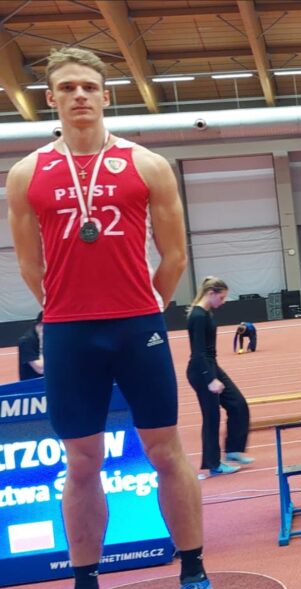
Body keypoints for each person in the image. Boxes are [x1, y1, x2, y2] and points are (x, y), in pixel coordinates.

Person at [5, 47, 211, 589]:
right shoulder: (27, 173)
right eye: (68, 88)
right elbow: (29, 264)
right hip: (70, 332)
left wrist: (146, 307)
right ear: (50, 98)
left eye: (89, 87)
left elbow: (175, 257)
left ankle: (192, 569)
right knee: (81, 461)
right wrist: (64, 309)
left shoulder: (147, 164)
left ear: (104, 95)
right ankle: (85, 578)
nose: (79, 96)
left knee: (167, 450)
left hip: (137, 326)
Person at [187, 277, 254, 477]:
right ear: (211, 293)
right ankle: (213, 464)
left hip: (212, 366)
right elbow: (198, 352)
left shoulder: (206, 312)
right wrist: (210, 379)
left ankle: (233, 450)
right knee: (212, 417)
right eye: (222, 297)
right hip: (201, 371)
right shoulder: (198, 316)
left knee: (238, 404)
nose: (223, 302)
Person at [18, 312, 45, 381]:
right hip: (33, 383)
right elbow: (40, 369)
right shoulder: (26, 341)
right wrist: (42, 344)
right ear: (40, 325)